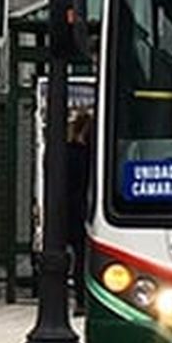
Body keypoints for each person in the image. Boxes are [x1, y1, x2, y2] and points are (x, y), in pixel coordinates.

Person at [65, 108, 93, 316]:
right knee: (83, 256)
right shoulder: (85, 155)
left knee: (79, 256)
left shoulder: (67, 152)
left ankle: (81, 300)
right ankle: (83, 299)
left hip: (71, 212)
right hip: (81, 211)